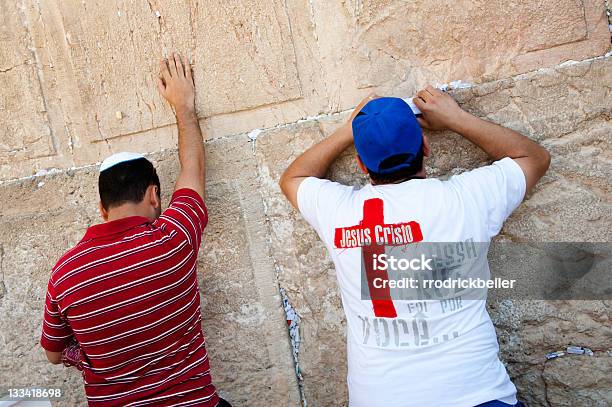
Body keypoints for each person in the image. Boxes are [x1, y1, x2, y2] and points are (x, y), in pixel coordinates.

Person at [279, 88, 550, 406]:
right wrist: (456, 118)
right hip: (477, 394)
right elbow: (535, 157)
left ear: (361, 164)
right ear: (425, 146)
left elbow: (293, 178)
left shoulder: (339, 212)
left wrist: (347, 131)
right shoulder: (464, 200)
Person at [40, 53, 231, 406]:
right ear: (154, 195)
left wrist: (88, 357)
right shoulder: (174, 239)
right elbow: (193, 169)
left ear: (102, 208)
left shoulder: (65, 275)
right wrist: (184, 107)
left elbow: (54, 354)